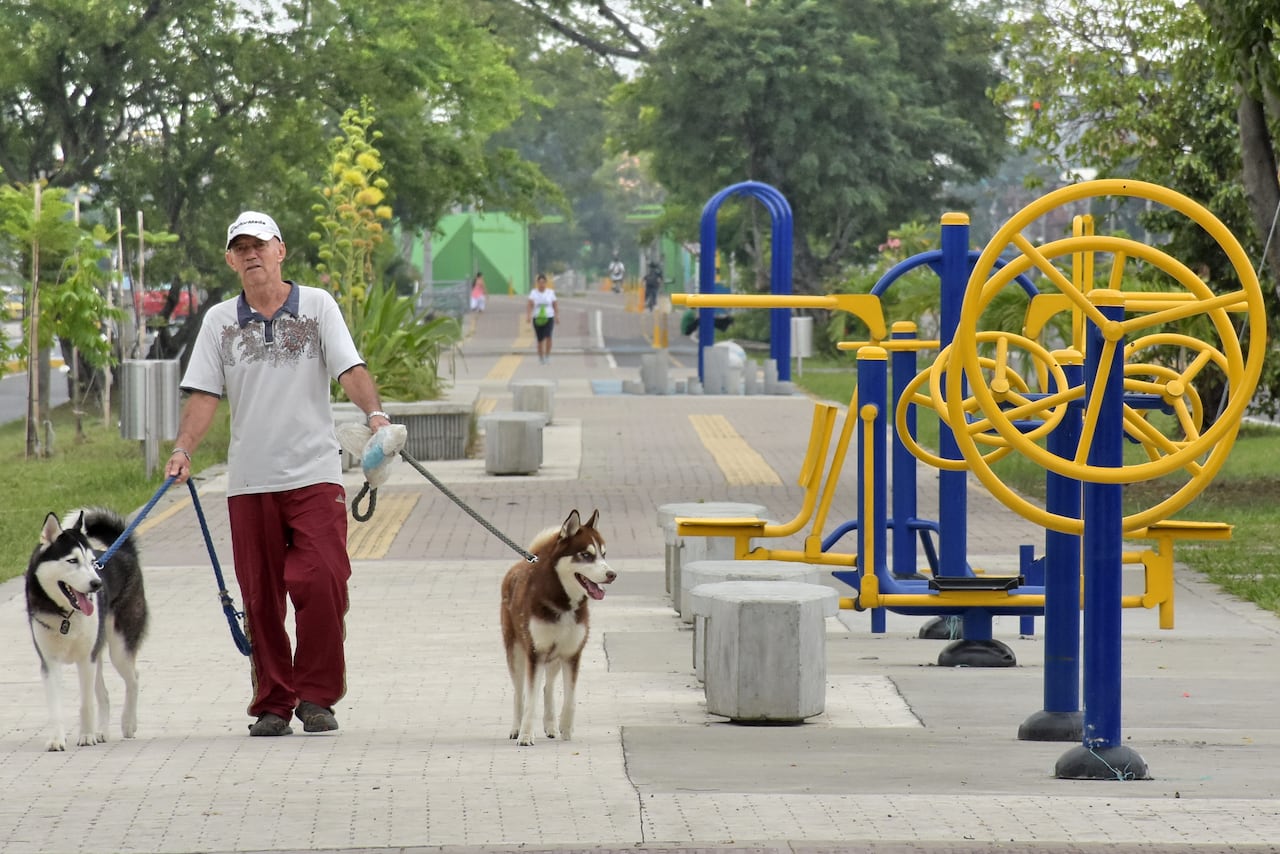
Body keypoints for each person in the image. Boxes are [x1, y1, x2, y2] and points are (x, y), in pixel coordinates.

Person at [165, 210, 391, 738]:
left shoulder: (316, 307)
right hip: (250, 480)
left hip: (314, 472)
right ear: (230, 259)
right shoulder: (220, 321)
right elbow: (203, 394)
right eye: (240, 247)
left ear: (280, 250)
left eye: (259, 245)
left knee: (323, 580)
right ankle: (273, 701)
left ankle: (316, 696)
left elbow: (349, 368)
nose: (251, 254)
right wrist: (183, 449)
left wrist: (375, 417)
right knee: (261, 595)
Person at [526, 273, 558, 364]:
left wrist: (556, 315)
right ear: (537, 283)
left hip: (549, 317)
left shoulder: (550, 292)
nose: (541, 284)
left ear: (546, 283)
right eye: (540, 282)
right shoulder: (533, 292)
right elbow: (529, 304)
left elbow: (555, 304)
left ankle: (547, 356)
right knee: (540, 339)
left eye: (543, 282)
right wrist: (528, 315)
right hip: (538, 318)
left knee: (548, 336)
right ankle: (541, 357)